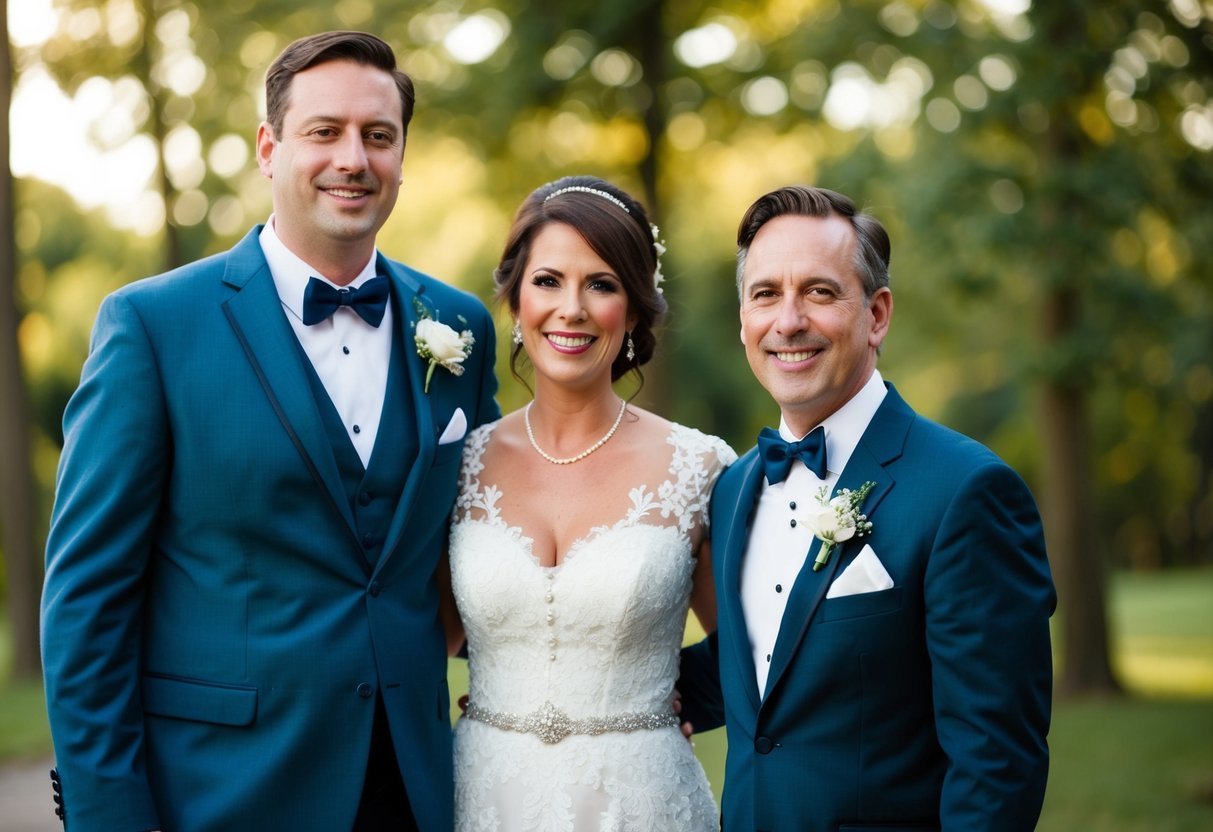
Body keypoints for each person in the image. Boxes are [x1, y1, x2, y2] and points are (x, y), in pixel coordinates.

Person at [40, 31, 498, 832]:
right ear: (268, 147)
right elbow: (87, 601)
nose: (353, 159)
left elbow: (489, 542)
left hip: (414, 790)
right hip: (224, 792)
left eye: (378, 135)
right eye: (324, 131)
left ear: (401, 155)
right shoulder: (153, 327)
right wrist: (109, 815)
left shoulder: (458, 326)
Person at [678, 185, 1056, 830]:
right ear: (743, 319)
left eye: (819, 292)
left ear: (877, 315)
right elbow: (765, 665)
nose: (788, 321)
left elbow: (997, 763)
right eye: (765, 294)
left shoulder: (965, 491)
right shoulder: (732, 487)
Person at [441, 175, 735, 831]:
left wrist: (670, 704)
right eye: (547, 281)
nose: (570, 308)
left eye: (600, 285)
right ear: (515, 299)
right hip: (484, 798)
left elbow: (747, 654)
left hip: (643, 803)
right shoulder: (458, 465)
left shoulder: (698, 467)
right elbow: (416, 634)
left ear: (632, 310)